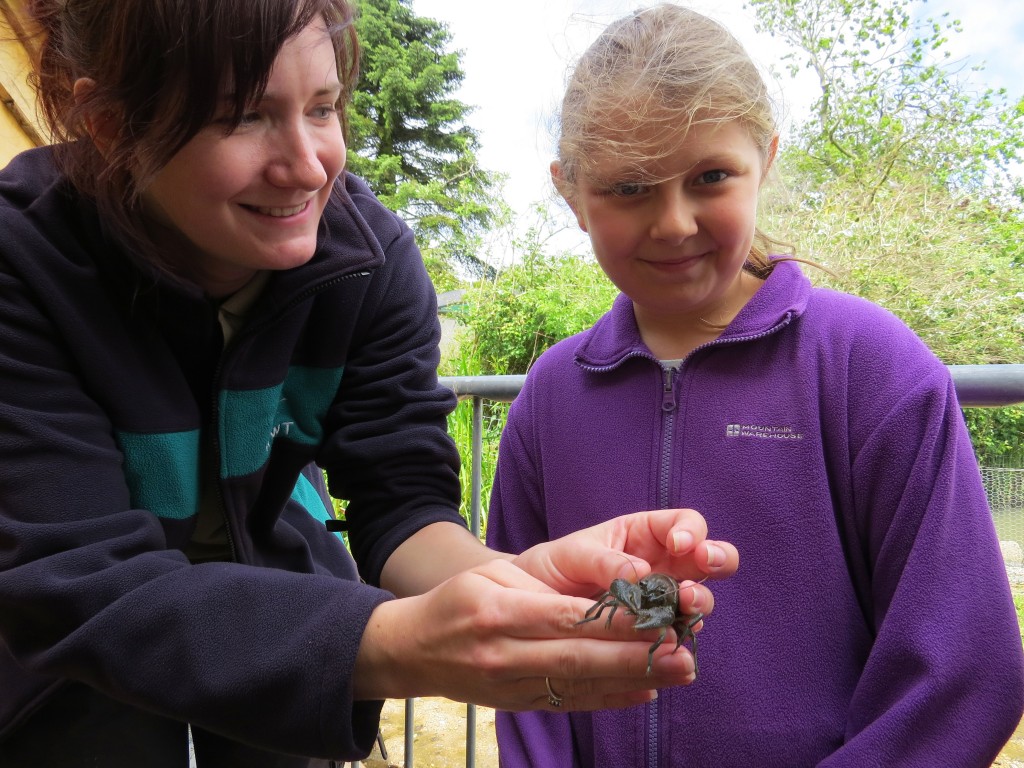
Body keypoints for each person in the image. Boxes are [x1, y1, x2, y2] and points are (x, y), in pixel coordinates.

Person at [0, 1, 742, 765]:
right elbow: (76, 585)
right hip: (55, 697)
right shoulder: (22, 262)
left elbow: (401, 503)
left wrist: (517, 590)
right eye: (244, 117)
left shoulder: (367, 258)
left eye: (323, 108)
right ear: (110, 123)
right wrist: (389, 642)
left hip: (284, 672)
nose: (310, 164)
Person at [486, 4, 1024, 766]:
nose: (673, 223)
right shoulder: (550, 396)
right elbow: (524, 640)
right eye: (629, 188)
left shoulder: (870, 366)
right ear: (570, 191)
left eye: (710, 177)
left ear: (765, 159)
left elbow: (964, 671)